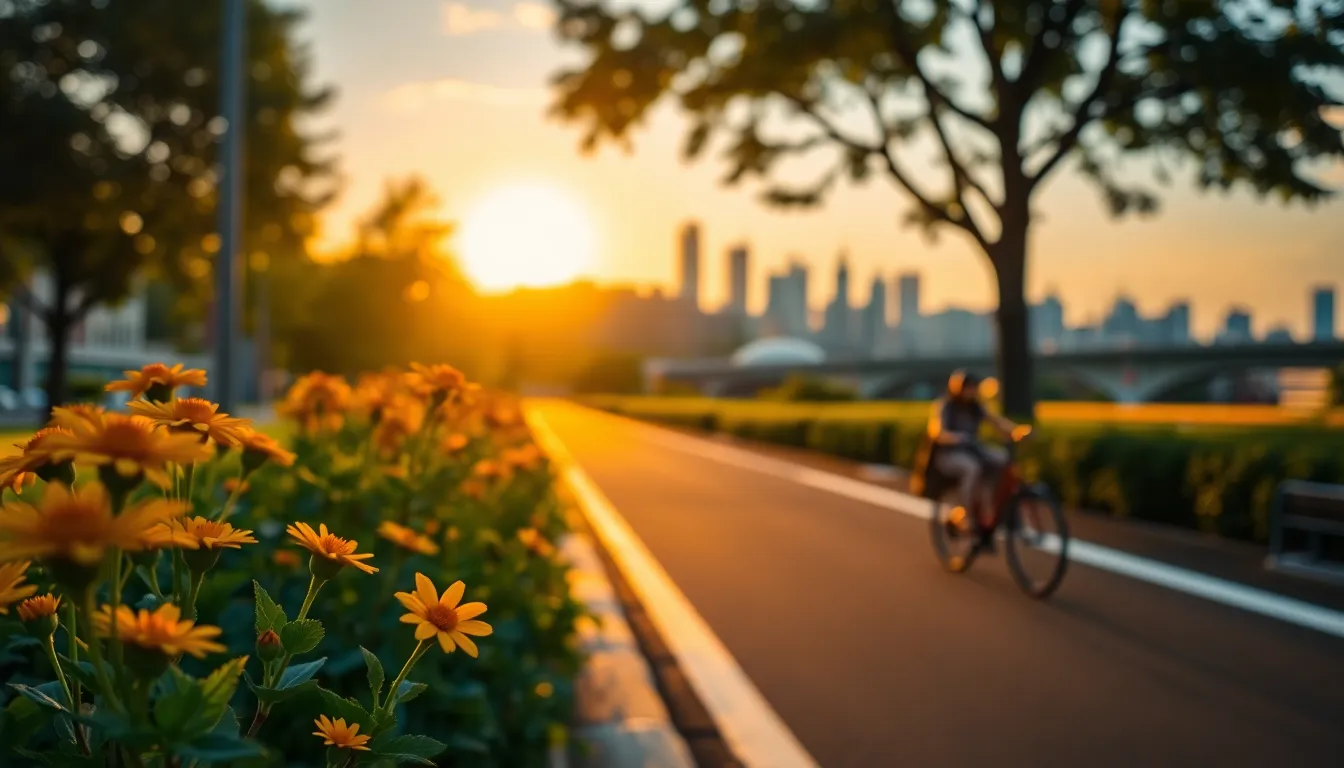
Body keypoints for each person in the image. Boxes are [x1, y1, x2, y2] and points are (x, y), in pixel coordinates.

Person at [925, 370, 1025, 541]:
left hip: (972, 450)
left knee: (1002, 458)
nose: (971, 392)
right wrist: (953, 437)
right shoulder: (946, 406)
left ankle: (997, 510)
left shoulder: (975, 407)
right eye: (967, 388)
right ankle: (964, 513)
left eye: (973, 388)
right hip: (950, 454)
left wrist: (1015, 431)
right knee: (972, 468)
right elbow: (936, 431)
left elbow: (995, 421)